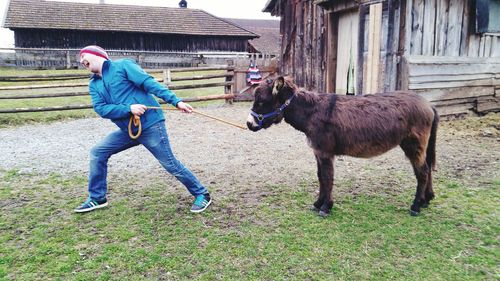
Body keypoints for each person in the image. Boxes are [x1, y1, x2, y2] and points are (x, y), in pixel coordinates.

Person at [74, 45, 211, 213]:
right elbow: (101, 109)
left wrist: (176, 102)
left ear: (97, 55)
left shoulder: (123, 66)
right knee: (98, 152)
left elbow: (149, 83)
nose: (81, 61)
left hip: (150, 125)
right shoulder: (94, 84)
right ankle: (97, 198)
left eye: (83, 56)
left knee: (169, 164)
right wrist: (128, 109)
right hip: (128, 130)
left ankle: (202, 194)